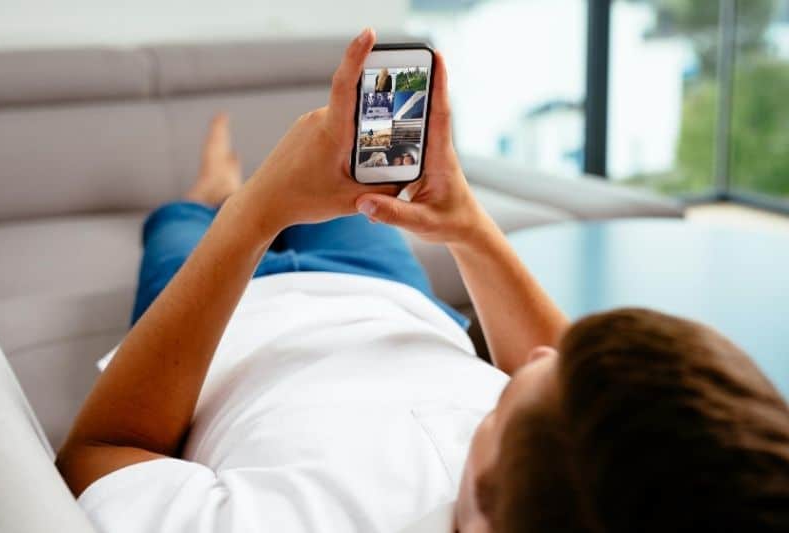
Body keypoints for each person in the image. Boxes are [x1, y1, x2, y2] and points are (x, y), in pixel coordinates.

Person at [56, 29, 789, 533]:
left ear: (482, 506)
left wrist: (250, 215)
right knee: (351, 189)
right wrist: (465, 222)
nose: (533, 356)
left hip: (217, 337)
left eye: (504, 410)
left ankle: (211, 187)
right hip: (385, 291)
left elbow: (100, 452)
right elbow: (578, 399)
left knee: (177, 227)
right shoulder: (583, 487)